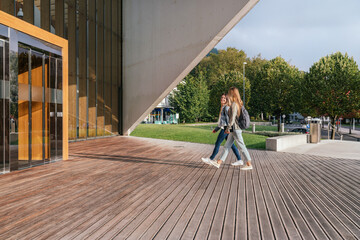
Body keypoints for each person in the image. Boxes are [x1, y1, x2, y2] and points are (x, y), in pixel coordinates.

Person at [209, 87, 253, 170]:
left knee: (241, 146)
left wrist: (228, 128)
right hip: (234, 129)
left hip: (235, 129)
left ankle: (249, 164)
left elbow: (232, 118)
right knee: (227, 146)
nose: (227, 95)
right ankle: (218, 162)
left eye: (229, 93)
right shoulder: (237, 103)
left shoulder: (234, 104)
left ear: (232, 94)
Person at [201, 94, 243, 166]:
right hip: (226, 128)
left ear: (227, 100)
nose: (222, 99)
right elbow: (222, 121)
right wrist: (216, 129)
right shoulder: (223, 107)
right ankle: (240, 160)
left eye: (224, 98)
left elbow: (228, 120)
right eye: (221, 97)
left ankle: (211, 159)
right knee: (232, 145)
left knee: (218, 143)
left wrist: (228, 129)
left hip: (226, 129)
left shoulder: (226, 107)